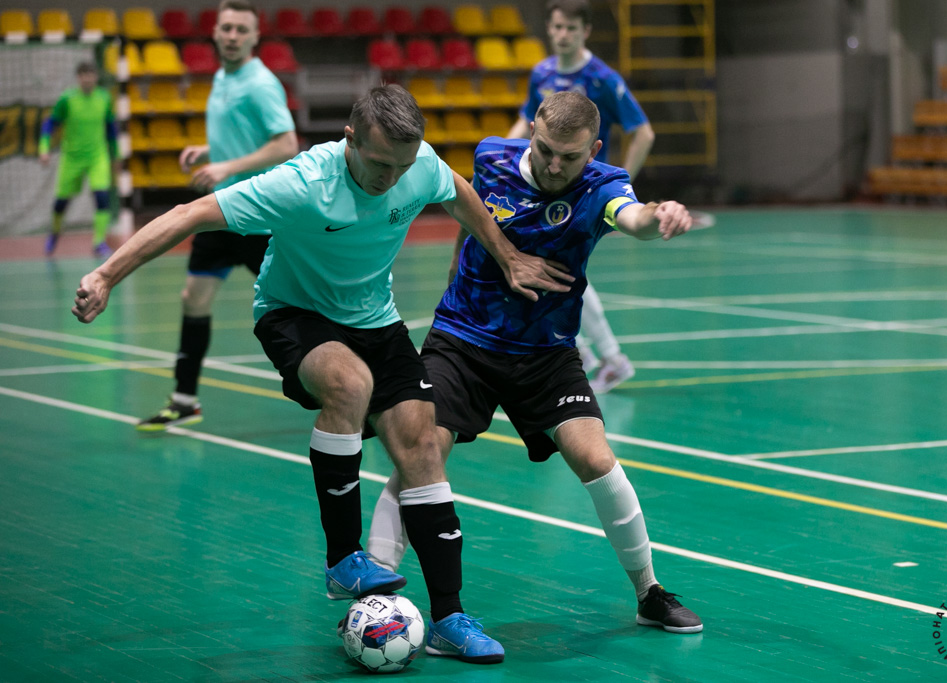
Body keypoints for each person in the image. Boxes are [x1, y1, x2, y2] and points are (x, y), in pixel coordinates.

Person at [73, 84, 575, 664]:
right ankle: (343, 559)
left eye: (402, 166)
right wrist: (106, 276)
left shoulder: (416, 165)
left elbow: (458, 191)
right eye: (380, 163)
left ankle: (449, 618)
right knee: (349, 383)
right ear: (350, 138)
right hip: (294, 313)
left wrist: (507, 255)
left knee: (421, 445)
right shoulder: (301, 183)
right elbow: (189, 216)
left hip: (375, 320)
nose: (391, 178)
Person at [367, 91, 704, 635]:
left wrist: (658, 214)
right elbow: (468, 212)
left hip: (546, 352)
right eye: (545, 150)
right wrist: (461, 265)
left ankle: (649, 593)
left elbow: (633, 218)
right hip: (463, 339)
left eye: (569, 157)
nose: (553, 165)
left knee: (596, 459)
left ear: (593, 150)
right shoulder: (491, 156)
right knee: (421, 450)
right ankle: (375, 591)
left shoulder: (601, 187)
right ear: (532, 135)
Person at [510, 0, 704, 393]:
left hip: (582, 193)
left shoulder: (602, 78)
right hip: (546, 188)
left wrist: (619, 184)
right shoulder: (542, 73)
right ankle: (588, 354)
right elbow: (525, 121)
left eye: (571, 28)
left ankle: (605, 358)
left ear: (586, 31)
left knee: (560, 271)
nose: (563, 34)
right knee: (553, 270)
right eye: (557, 27)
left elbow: (643, 132)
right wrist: (501, 157)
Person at [137, 0, 299, 431]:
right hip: (221, 212)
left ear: (255, 36)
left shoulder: (260, 83)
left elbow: (286, 144)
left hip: (259, 218)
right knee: (193, 298)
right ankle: (184, 400)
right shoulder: (224, 76)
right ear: (214, 32)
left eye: (241, 30)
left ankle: (360, 385)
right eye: (226, 28)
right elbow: (246, 135)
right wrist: (211, 151)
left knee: (304, 305)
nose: (232, 36)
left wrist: (226, 166)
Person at [39, 61, 119, 259]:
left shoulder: (104, 98)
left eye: (90, 75)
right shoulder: (67, 99)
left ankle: (99, 242)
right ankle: (55, 233)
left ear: (96, 77)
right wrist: (44, 148)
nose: (87, 79)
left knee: (102, 197)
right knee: (61, 202)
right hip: (71, 158)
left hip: (97, 156)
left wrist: (116, 155)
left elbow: (111, 129)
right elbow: (50, 123)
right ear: (78, 78)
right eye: (83, 75)